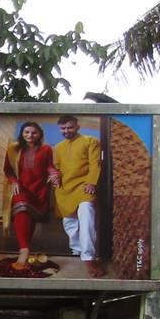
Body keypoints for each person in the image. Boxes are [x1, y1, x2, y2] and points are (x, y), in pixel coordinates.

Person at [51, 114, 104, 278]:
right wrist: (55, 175)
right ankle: (77, 250)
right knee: (69, 221)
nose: (66, 131)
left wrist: (91, 183)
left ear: (77, 126)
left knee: (86, 212)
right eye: (63, 128)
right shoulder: (58, 147)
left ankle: (88, 256)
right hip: (64, 187)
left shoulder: (90, 141)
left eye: (70, 127)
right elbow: (56, 167)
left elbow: (95, 164)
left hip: (84, 185)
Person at [1, 121, 55, 270]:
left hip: (39, 188)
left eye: (34, 132)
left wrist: (53, 173)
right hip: (21, 187)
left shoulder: (46, 149)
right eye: (26, 132)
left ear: (39, 135)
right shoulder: (13, 148)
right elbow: (8, 169)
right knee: (22, 209)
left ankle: (26, 247)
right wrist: (14, 181)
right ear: (22, 133)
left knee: (29, 217)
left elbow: (49, 165)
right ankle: (24, 250)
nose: (30, 135)